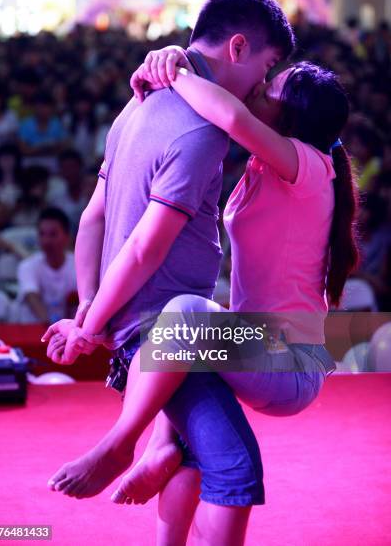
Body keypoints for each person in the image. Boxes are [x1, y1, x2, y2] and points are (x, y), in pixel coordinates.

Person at [42, 59, 360, 543]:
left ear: (293, 117)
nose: (257, 88)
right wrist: (171, 54)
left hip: (292, 362)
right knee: (191, 447)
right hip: (255, 343)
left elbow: (231, 117)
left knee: (185, 313)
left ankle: (120, 443)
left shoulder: (310, 168)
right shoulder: (266, 164)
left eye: (271, 88)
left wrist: (176, 72)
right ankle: (163, 448)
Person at [16, 207, 77, 325]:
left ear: (67, 237)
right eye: (42, 234)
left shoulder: (79, 265)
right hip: (32, 332)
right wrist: (53, 329)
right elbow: (32, 297)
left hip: (67, 333)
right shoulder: (27, 266)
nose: (46, 241)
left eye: (53, 234)